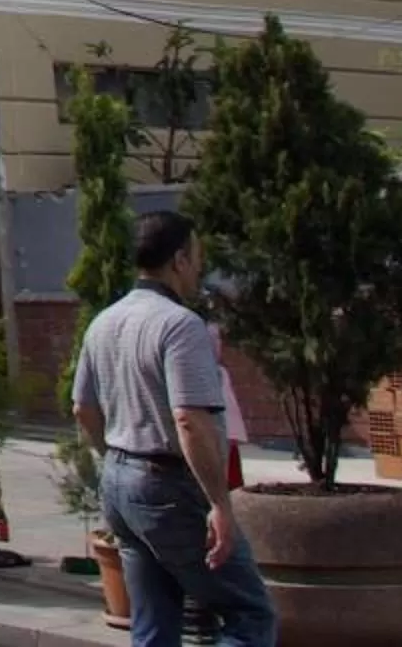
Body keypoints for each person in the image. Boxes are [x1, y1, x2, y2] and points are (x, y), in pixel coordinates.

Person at [72, 210, 275, 647]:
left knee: (153, 622)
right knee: (250, 615)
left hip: (121, 480)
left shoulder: (103, 322)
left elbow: (82, 409)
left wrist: (115, 461)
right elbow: (189, 418)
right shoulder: (180, 325)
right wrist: (219, 503)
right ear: (179, 260)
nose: (200, 267)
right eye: (197, 256)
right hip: (170, 485)